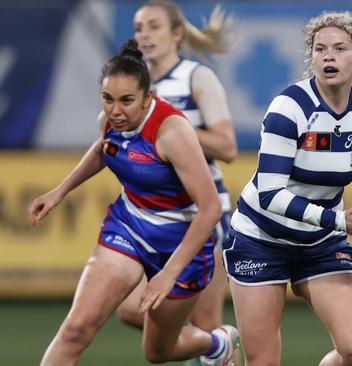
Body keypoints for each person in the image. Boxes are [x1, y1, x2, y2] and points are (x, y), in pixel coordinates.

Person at [29, 39, 239, 365]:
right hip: (129, 228)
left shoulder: (172, 133)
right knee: (75, 330)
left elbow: (210, 209)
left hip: (180, 244)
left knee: (157, 352)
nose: (115, 110)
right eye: (108, 99)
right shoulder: (110, 121)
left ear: (148, 98)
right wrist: (60, 191)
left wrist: (168, 274)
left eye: (126, 101)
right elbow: (104, 148)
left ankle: (217, 343)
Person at [222, 11, 352, 366]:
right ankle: (221, 355)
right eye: (320, 48)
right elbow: (270, 194)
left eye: (340, 48)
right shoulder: (288, 108)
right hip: (261, 239)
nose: (329, 56)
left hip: (319, 242)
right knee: (262, 362)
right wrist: (342, 222)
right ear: (311, 58)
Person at [116, 0, 238, 341]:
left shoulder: (196, 77)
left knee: (207, 324)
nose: (144, 34)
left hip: (201, 213)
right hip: (154, 217)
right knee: (129, 307)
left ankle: (214, 345)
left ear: (177, 33)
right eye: (139, 27)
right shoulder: (136, 85)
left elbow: (227, 146)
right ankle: (213, 345)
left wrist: (166, 125)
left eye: (154, 26)